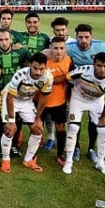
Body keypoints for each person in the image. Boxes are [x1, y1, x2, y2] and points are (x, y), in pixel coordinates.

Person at [66, 23, 105, 162]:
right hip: (79, 87)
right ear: (76, 37)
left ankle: (91, 148)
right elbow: (57, 54)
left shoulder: (101, 46)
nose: (84, 40)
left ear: (91, 37)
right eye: (80, 37)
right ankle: (76, 148)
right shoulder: (70, 48)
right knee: (75, 122)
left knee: (95, 122)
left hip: (96, 89)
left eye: (87, 37)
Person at [62, 52, 105, 176]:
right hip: (78, 98)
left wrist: (103, 117)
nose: (102, 69)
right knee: (73, 127)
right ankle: (68, 161)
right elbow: (67, 78)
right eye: (99, 65)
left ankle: (100, 162)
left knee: (103, 130)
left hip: (97, 101)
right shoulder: (83, 70)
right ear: (94, 64)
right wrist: (69, 96)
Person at [0, 53, 53, 173]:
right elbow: (10, 97)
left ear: (45, 67)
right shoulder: (20, 75)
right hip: (9, 98)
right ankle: (6, 159)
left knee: (38, 129)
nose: (38, 72)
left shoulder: (48, 77)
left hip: (26, 101)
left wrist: (38, 118)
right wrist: (11, 121)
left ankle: (28, 160)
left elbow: (44, 98)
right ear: (30, 65)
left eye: (41, 69)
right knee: (10, 130)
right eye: (35, 68)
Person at [0, 29, 31, 157]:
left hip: (17, 93)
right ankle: (1, 146)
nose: (4, 42)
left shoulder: (21, 52)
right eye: (1, 40)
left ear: (11, 40)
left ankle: (14, 146)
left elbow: (33, 63)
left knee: (16, 119)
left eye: (6, 39)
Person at [39, 36, 74, 166]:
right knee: (37, 127)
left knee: (60, 127)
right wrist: (61, 78)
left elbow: (71, 79)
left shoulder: (70, 61)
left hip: (59, 101)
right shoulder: (43, 59)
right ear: (50, 48)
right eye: (55, 48)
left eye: (61, 48)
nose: (59, 51)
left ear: (65, 49)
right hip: (41, 100)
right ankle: (34, 154)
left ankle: (60, 155)